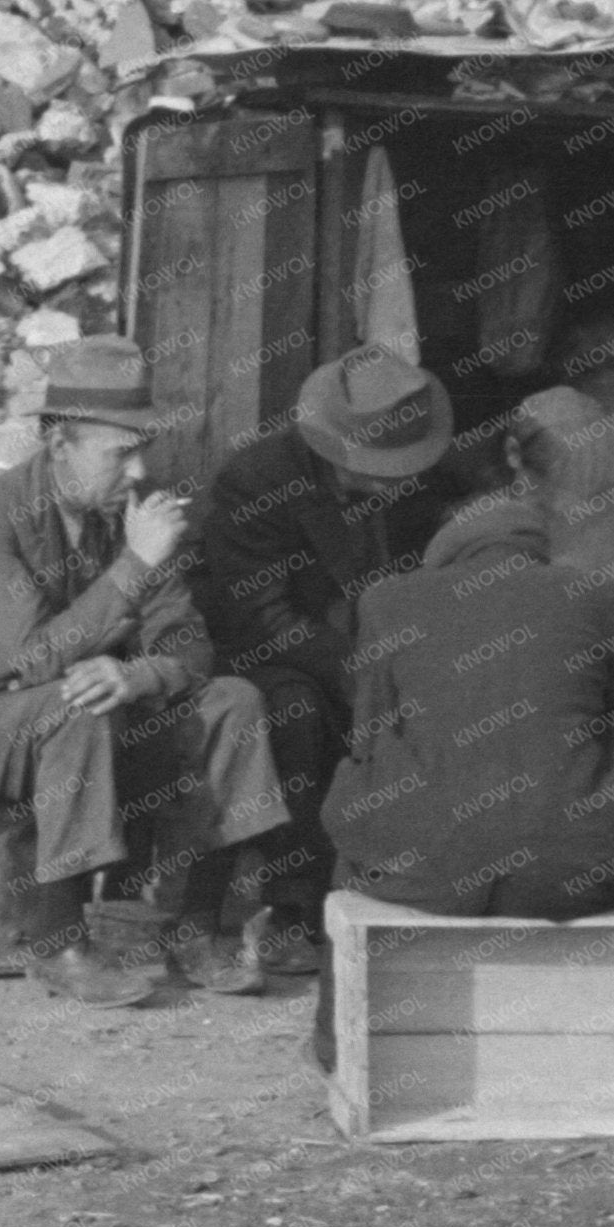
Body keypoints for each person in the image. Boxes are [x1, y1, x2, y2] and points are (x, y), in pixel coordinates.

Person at [0, 337, 293, 1005]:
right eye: (120, 454)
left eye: (144, 451)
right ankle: (58, 944)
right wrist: (135, 570)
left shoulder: (132, 513)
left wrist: (138, 677)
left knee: (235, 700)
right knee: (76, 705)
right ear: (59, 447)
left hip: (99, 720)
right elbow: (38, 658)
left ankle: (196, 929)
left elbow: (192, 648)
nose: (139, 472)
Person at [312, 418, 614, 1064]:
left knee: (352, 821)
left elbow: (369, 742)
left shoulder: (390, 600)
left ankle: (335, 1041)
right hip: (579, 871)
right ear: (536, 545)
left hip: (430, 869)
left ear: (443, 545)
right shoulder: (602, 598)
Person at [190, 345, 453, 979]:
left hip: (372, 645)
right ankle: (291, 912)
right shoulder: (257, 482)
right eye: (387, 467)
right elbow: (260, 618)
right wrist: (364, 672)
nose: (404, 478)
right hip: (268, 655)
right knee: (295, 716)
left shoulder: (428, 477)